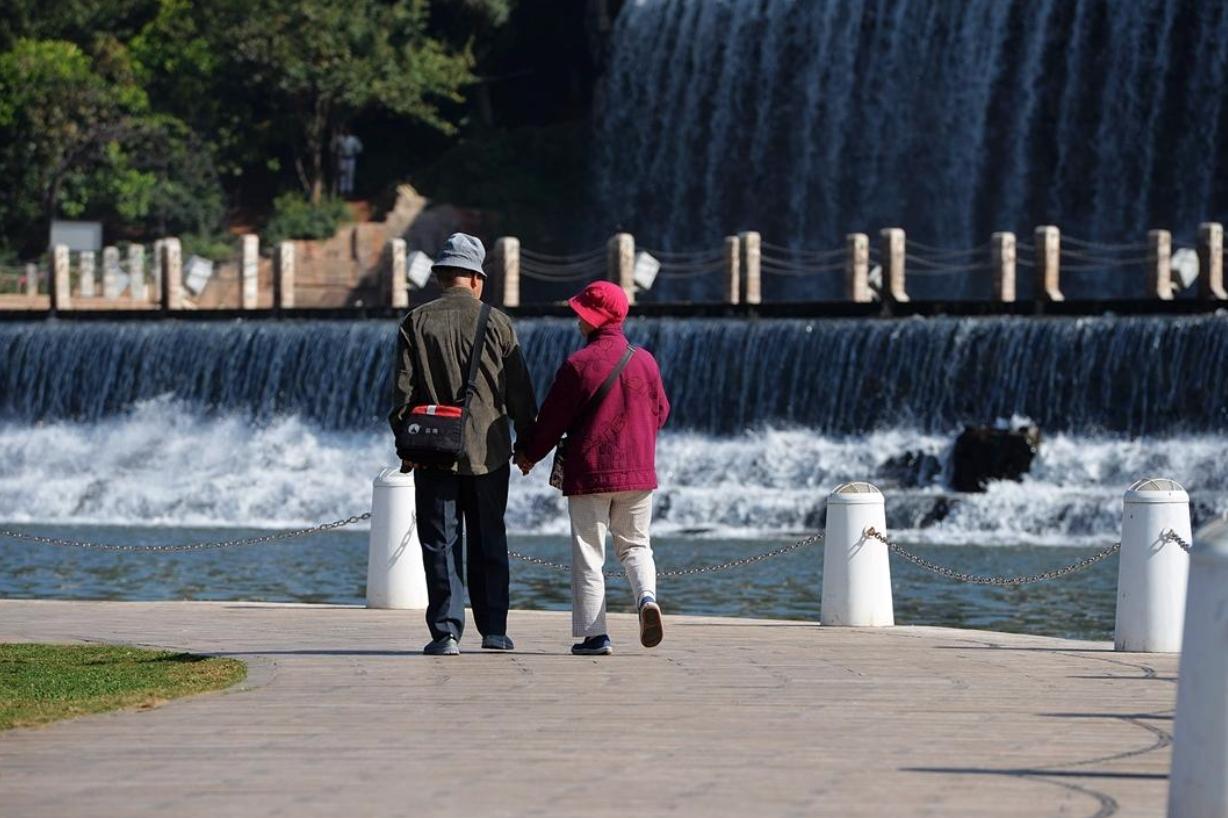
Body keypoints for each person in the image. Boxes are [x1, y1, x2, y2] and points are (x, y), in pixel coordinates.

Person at [389, 233, 537, 656]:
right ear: (475, 279)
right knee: (490, 538)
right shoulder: (498, 323)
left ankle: (446, 632)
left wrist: (408, 445)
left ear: (440, 277)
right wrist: (528, 444)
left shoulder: (415, 323)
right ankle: (494, 631)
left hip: (434, 454)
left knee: (440, 543)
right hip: (488, 453)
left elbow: (402, 395)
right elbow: (520, 393)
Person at [517, 280, 670, 656]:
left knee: (589, 552)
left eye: (580, 313)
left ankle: (595, 635)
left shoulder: (578, 365)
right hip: (637, 472)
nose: (576, 319)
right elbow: (661, 412)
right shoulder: (646, 360)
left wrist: (528, 454)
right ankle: (646, 598)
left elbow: (552, 420)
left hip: (590, 472)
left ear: (591, 318)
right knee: (636, 545)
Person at [334, 130, 363, 197]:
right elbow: (335, 148)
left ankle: (349, 192)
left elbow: (359, 148)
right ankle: (342, 192)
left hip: (351, 159)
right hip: (342, 159)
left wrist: (355, 153)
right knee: (342, 175)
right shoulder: (340, 139)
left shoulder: (353, 139)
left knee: (350, 175)